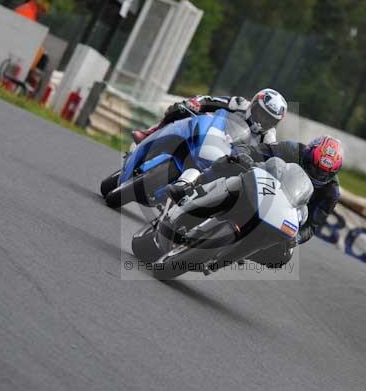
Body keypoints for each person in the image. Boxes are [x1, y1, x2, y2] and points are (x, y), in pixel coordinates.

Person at [168, 135, 343, 266]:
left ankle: (239, 252)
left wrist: (295, 239)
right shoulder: (291, 149)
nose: (317, 174)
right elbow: (257, 150)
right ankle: (191, 186)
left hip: (281, 214)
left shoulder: (330, 193)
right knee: (230, 162)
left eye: (323, 173)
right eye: (314, 167)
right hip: (260, 185)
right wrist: (243, 155)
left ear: (333, 173)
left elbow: (312, 225)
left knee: (282, 256)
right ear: (308, 154)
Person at [132, 89, 287, 145]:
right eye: (261, 114)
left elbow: (270, 157)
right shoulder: (240, 104)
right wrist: (195, 104)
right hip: (210, 135)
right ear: (253, 105)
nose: (262, 121)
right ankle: (151, 133)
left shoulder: (269, 138)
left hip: (227, 160)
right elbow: (210, 100)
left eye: (269, 120)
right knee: (180, 109)